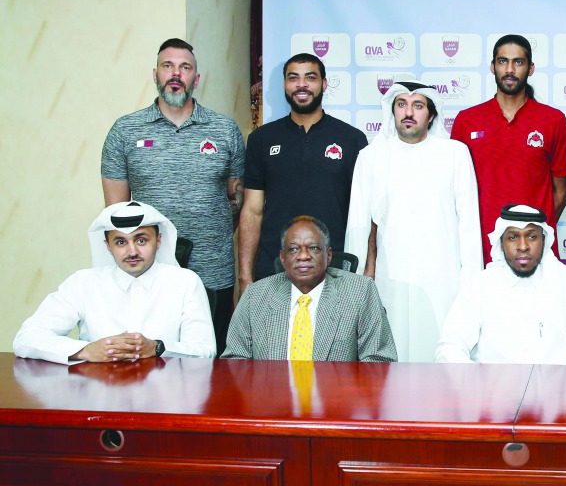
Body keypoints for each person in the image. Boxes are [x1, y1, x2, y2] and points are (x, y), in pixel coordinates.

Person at [101, 38, 245, 353]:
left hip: (212, 270)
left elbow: (237, 202)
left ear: (197, 78)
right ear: (155, 74)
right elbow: (117, 214)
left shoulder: (224, 130)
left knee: (211, 359)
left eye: (185, 67)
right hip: (148, 271)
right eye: (168, 66)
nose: (175, 74)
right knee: (150, 359)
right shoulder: (125, 131)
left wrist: (209, 232)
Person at [345, 82, 481, 362]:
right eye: (401, 105)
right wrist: (355, 287)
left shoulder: (455, 153)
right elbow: (357, 227)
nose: (409, 112)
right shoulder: (371, 157)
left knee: (443, 355)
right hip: (390, 280)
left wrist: (470, 287)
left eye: (418, 106)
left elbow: (469, 225)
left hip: (444, 281)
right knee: (389, 360)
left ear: (431, 115)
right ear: (392, 111)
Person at [14, 201, 216, 363]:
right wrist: (86, 351)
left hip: (166, 398)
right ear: (108, 247)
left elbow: (205, 351)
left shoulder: (185, 282)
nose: (132, 251)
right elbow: (26, 338)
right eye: (121, 242)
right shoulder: (83, 282)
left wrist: (157, 348)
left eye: (141, 240)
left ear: (159, 240)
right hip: (98, 397)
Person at [239, 53, 367, 286]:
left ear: (324, 84)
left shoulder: (352, 139)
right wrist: (245, 276)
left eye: (310, 77)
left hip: (335, 268)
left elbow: (363, 213)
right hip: (273, 268)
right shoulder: (261, 139)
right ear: (285, 85)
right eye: (293, 78)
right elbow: (252, 210)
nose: (301, 85)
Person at [435, 205, 566, 364]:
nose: (523, 246)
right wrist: (481, 385)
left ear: (544, 241)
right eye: (513, 237)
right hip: (493, 393)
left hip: (557, 392)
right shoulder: (481, 285)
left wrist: (564, 383)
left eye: (532, 237)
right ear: (501, 244)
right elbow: (449, 348)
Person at [452, 35, 566, 263]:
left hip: (535, 248)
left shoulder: (553, 120)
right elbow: (456, 191)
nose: (509, 69)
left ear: (531, 68)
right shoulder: (467, 121)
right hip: (482, 246)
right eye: (503, 61)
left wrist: (535, 225)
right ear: (492, 67)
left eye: (518, 62)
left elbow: (560, 189)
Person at [224, 216, 396, 362]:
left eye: (313, 248)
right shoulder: (256, 296)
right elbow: (235, 361)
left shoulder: (360, 291)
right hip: (271, 398)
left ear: (328, 256)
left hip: (339, 399)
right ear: (283, 258)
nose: (303, 256)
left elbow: (378, 360)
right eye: (293, 249)